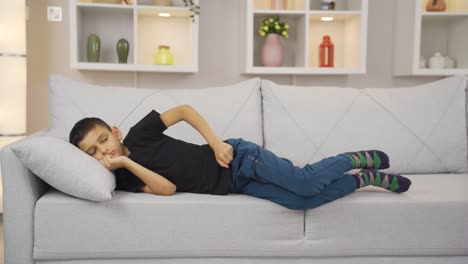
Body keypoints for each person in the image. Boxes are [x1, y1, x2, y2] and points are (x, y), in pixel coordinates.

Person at [69, 105, 411, 210]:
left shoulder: (140, 132)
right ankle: (364, 180)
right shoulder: (125, 177)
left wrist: (217, 143)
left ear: (114, 130)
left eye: (103, 140)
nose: (105, 151)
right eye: (94, 152)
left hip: (236, 158)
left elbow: (186, 111)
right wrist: (126, 164)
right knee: (302, 202)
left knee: (305, 182)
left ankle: (356, 158)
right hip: (234, 185)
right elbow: (168, 188)